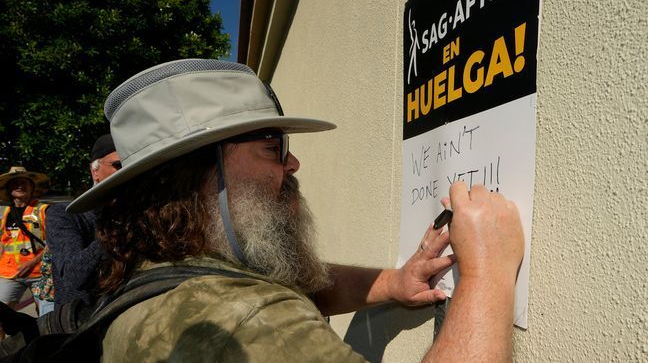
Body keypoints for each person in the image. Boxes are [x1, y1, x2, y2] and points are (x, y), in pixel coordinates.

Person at [67, 59, 524, 362]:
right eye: (272, 147)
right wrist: (487, 274)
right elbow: (261, 299)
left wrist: (392, 282)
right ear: (204, 171)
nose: (292, 163)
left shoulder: (162, 266)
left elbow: (291, 278)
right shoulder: (243, 320)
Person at [46, 134, 119, 307]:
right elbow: (73, 276)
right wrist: (118, 228)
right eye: (118, 165)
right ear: (95, 171)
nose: (126, 171)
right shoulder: (64, 214)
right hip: (80, 324)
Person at [0, 167, 54, 318]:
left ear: (32, 188)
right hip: (10, 273)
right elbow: (4, 243)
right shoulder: (5, 213)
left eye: (24, 182)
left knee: (46, 317)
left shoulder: (44, 210)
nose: (19, 186)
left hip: (40, 273)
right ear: (9, 189)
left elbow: (54, 243)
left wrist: (32, 263)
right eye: (15, 183)